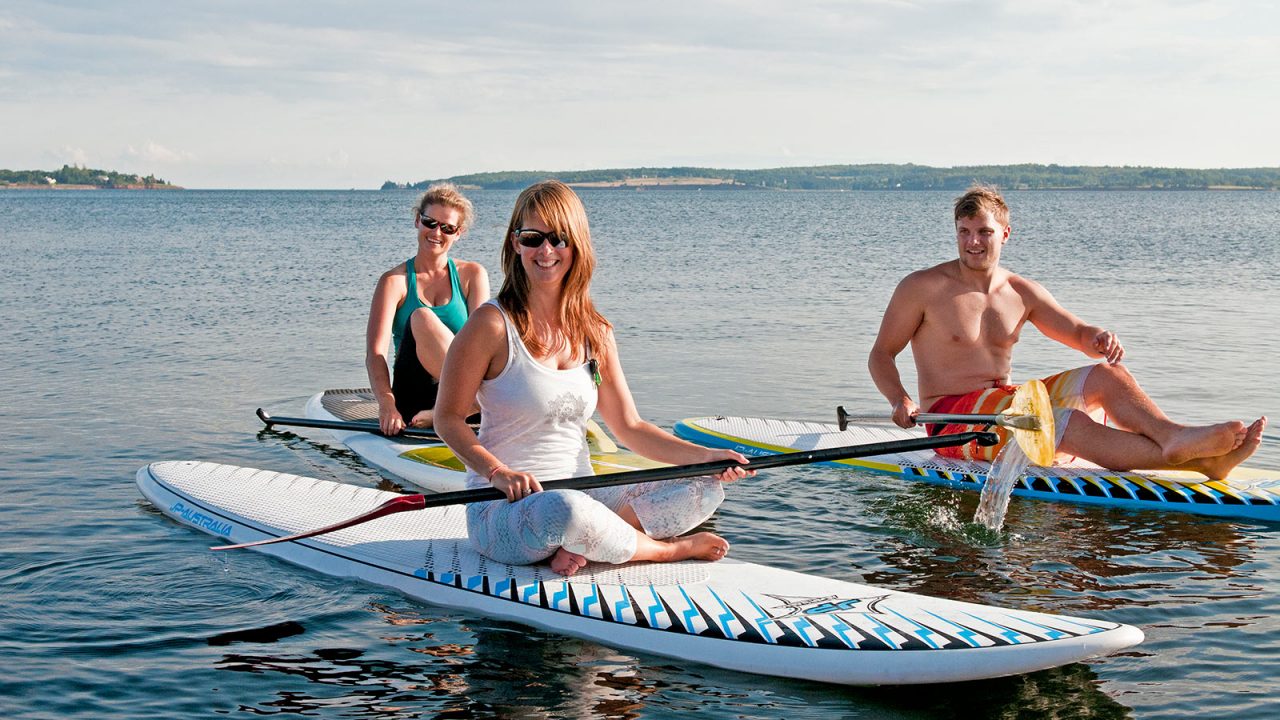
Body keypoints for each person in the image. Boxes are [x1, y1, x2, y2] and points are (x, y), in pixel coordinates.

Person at [435, 180, 751, 577]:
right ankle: (664, 551)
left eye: (558, 238)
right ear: (515, 244)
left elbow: (631, 427)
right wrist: (498, 472)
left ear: (577, 245)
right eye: (532, 238)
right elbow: (448, 419)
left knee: (700, 487)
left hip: (585, 496)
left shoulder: (595, 331)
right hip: (504, 508)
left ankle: (579, 543)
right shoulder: (491, 324)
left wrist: (708, 459)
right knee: (563, 511)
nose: (545, 251)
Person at [867, 184, 1265, 480]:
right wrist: (899, 398)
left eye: (984, 232)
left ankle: (1176, 438)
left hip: (1006, 403)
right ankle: (1198, 459)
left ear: (1005, 234)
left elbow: (1076, 331)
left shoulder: (1021, 291)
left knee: (1108, 375)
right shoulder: (922, 287)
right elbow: (881, 354)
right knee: (1054, 421)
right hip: (952, 417)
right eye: (964, 231)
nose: (972, 242)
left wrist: (1098, 337)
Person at [365, 183, 489, 434]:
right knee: (422, 316)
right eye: (430, 222)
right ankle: (475, 404)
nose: (437, 232)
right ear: (417, 221)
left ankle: (467, 405)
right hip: (415, 401)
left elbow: (484, 344)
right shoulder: (394, 282)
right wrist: (387, 405)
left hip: (464, 396)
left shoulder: (472, 275)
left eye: (447, 227)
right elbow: (375, 354)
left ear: (458, 233)